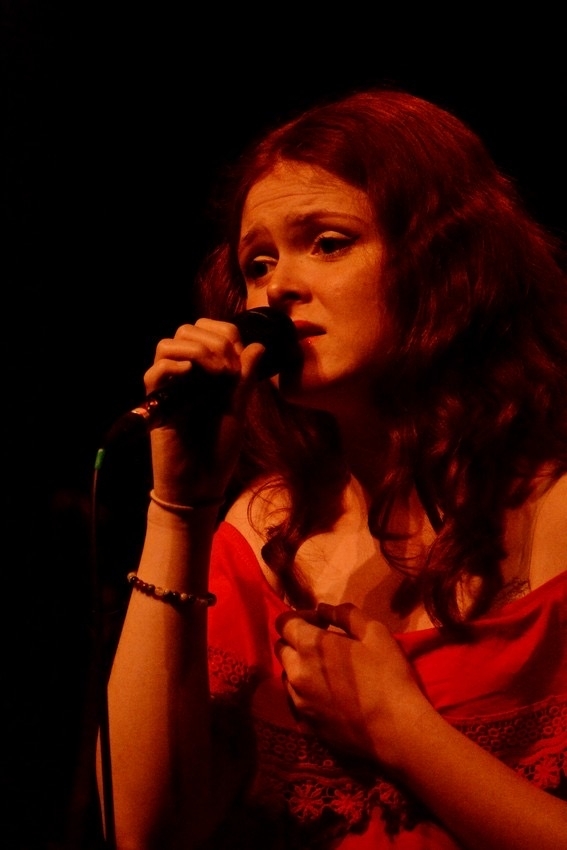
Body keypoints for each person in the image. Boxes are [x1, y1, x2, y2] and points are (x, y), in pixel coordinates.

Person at [99, 87, 567, 850]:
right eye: (257, 263)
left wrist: (397, 729)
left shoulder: (557, 516)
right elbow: (142, 829)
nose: (277, 286)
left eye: (327, 242)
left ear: (443, 260)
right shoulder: (261, 531)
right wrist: (178, 510)